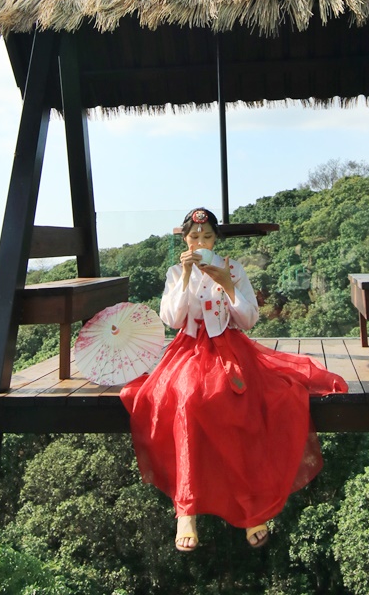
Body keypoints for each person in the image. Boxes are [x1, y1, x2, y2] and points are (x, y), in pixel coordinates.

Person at [120, 207, 347, 553]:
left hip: (230, 347)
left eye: (207, 237)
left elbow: (249, 319)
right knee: (186, 398)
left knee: (247, 402)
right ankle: (186, 508)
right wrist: (184, 277)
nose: (200, 242)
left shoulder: (233, 268)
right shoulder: (174, 272)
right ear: (185, 239)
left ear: (216, 239)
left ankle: (251, 508)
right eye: (194, 237)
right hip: (189, 349)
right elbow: (171, 318)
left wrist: (228, 284)